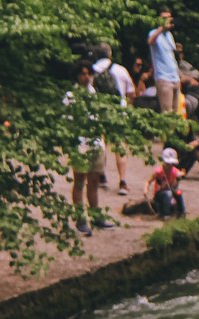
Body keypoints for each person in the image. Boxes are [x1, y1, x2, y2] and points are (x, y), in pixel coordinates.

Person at [63, 62, 111, 235]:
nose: (86, 77)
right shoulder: (71, 96)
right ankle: (80, 219)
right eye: (83, 73)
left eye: (88, 73)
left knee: (94, 182)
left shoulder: (94, 94)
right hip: (80, 144)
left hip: (96, 143)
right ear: (77, 75)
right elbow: (67, 122)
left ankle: (96, 216)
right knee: (79, 182)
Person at [92, 45, 136, 195]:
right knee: (120, 146)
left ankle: (101, 176)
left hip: (98, 112)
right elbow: (132, 93)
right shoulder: (121, 70)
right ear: (110, 54)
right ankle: (123, 182)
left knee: (100, 142)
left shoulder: (90, 70)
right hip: (118, 112)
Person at [147, 8, 182, 114]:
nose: (167, 20)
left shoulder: (169, 35)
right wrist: (161, 29)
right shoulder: (154, 33)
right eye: (164, 18)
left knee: (176, 113)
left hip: (175, 77)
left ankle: (176, 131)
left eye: (168, 17)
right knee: (167, 112)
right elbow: (150, 41)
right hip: (164, 78)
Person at [147, 147, 186, 216]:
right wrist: (145, 189)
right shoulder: (159, 171)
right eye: (168, 163)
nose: (170, 165)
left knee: (178, 192)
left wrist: (180, 176)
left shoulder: (174, 171)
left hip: (170, 189)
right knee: (168, 194)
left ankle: (182, 212)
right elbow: (148, 181)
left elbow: (181, 173)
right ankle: (165, 214)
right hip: (160, 193)